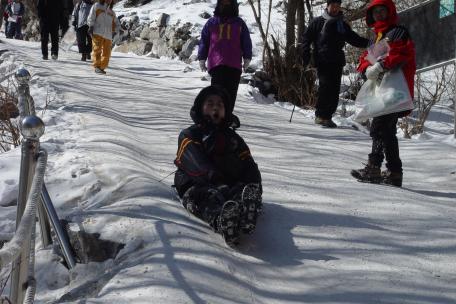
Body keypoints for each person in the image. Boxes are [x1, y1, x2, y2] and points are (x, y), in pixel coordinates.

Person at [174, 85, 262, 246]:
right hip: (196, 184)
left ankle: (245, 213)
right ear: (200, 108)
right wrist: (216, 179)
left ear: (226, 111)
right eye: (210, 103)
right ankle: (222, 219)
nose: (215, 107)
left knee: (240, 191)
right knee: (207, 198)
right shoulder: (190, 134)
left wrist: (254, 184)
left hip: (229, 184)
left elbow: (248, 163)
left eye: (220, 104)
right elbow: (195, 161)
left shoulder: (233, 138)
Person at [351, 0, 416, 187]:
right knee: (386, 130)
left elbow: (402, 54)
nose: (378, 14)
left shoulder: (399, 32)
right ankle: (395, 173)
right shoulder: (375, 37)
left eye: (382, 11)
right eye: (375, 12)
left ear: (390, 12)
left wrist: (381, 65)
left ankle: (374, 167)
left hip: (395, 90)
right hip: (381, 91)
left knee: (380, 127)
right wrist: (366, 69)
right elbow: (364, 60)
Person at [302, 0, 369, 128]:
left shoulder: (342, 24)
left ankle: (327, 116)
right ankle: (320, 116)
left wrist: (369, 43)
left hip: (337, 61)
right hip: (322, 60)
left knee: (334, 90)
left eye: (338, 6)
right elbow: (306, 39)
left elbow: (353, 38)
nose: (335, 8)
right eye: (333, 5)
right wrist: (306, 56)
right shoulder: (317, 22)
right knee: (325, 87)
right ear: (327, 6)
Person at [197, 0, 252, 127]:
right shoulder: (212, 22)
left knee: (230, 94)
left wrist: (247, 57)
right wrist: (202, 57)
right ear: (219, 5)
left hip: (234, 65)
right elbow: (204, 41)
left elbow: (246, 41)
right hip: (217, 64)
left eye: (228, 3)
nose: (225, 6)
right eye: (223, 3)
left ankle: (226, 119)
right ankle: (213, 118)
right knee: (217, 92)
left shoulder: (239, 23)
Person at [87, 0, 119, 74]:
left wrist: (118, 30)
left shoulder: (112, 12)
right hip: (97, 32)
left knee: (107, 53)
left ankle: (102, 67)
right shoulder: (97, 6)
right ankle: (97, 67)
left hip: (108, 35)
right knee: (97, 50)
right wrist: (91, 26)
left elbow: (116, 23)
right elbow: (91, 16)